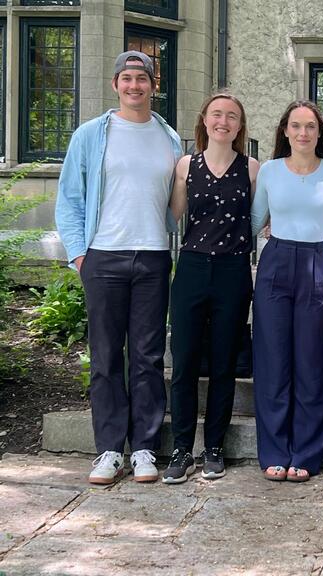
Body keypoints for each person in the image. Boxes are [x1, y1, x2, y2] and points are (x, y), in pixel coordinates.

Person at [55, 51, 182, 484]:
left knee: (147, 356)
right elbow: (70, 197)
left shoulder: (169, 137)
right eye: (126, 79)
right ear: (115, 85)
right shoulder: (91, 135)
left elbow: (174, 202)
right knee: (106, 356)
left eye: (141, 79)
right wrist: (78, 254)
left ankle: (144, 447)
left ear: (153, 85)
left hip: (152, 255)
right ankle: (109, 449)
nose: (134, 86)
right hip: (103, 256)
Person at [161, 93, 259, 484]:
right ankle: (183, 448)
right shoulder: (187, 165)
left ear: (239, 125)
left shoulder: (252, 168)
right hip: (192, 266)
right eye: (217, 114)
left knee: (223, 364)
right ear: (204, 120)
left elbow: (260, 219)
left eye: (232, 116)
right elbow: (173, 215)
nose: (224, 121)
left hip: (234, 270)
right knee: (184, 362)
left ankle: (214, 446)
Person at [251, 100, 323, 482]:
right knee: (273, 359)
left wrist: (322, 257)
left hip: (315, 263)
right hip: (276, 262)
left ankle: (305, 453)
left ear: (319, 133)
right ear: (286, 131)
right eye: (296, 126)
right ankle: (275, 451)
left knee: (311, 360)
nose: (303, 133)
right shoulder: (271, 172)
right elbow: (256, 220)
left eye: (310, 126)